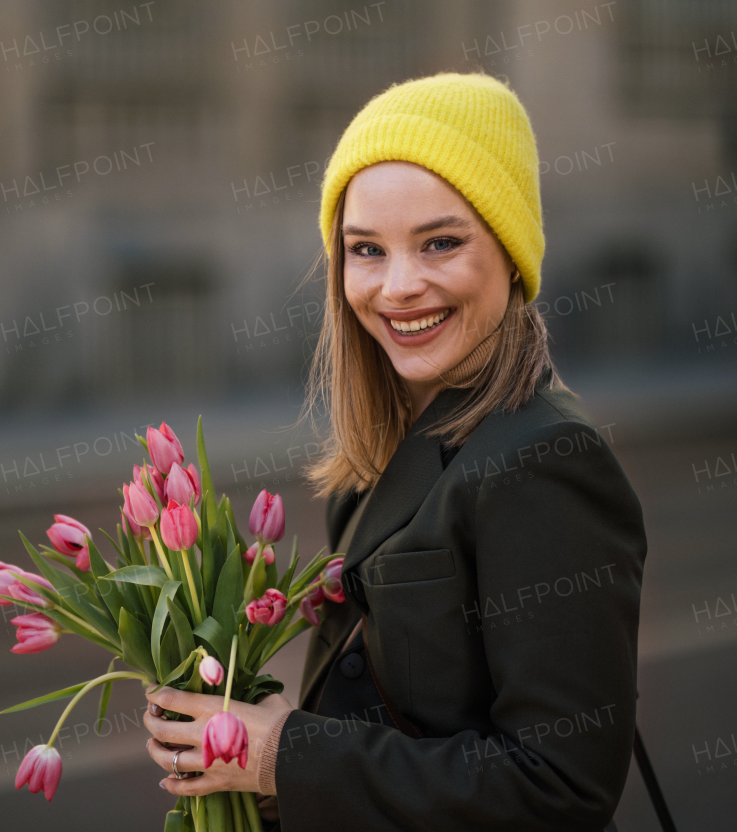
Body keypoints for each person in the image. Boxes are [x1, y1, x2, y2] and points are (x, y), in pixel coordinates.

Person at [143, 72, 647, 832]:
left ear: (510, 254)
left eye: (440, 242)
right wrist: (247, 748)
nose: (398, 285)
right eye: (366, 250)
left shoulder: (545, 459)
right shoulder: (377, 459)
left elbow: (559, 789)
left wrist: (284, 753)